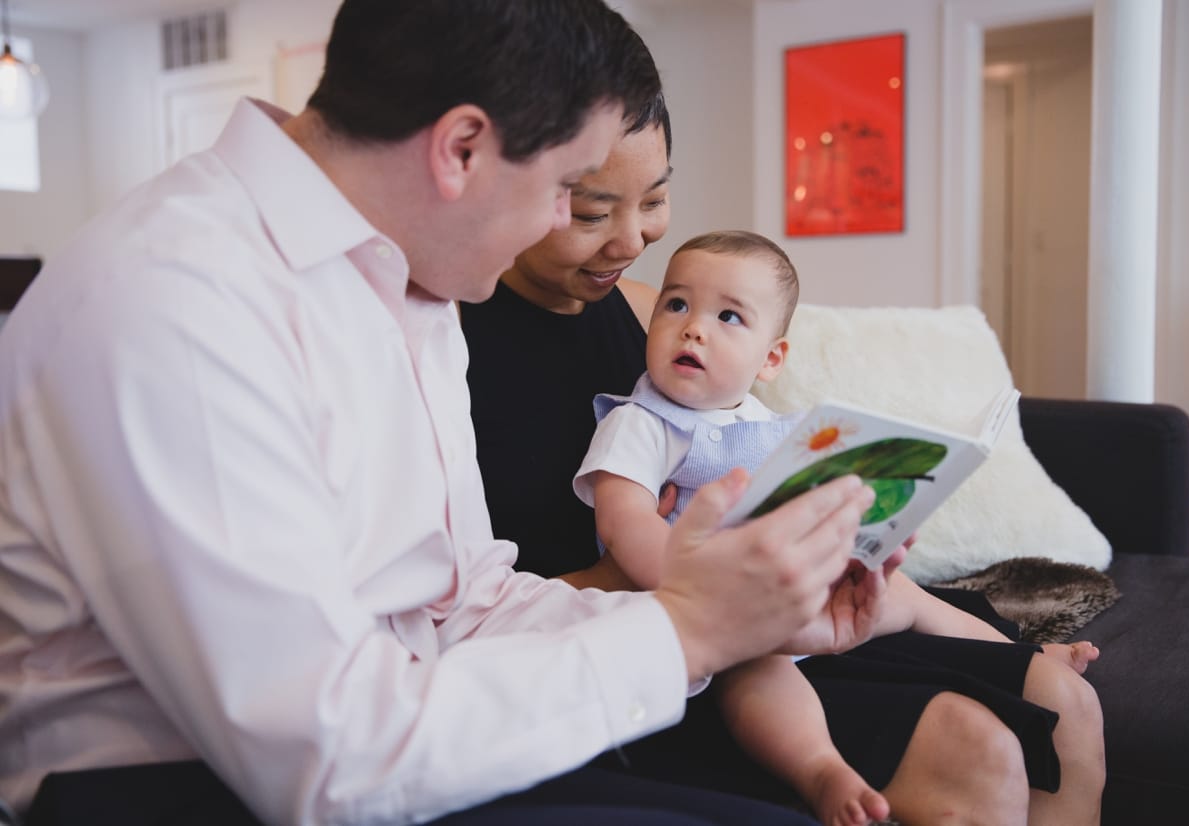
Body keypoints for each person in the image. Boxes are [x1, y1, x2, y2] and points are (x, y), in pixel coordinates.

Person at [0, 3, 884, 825]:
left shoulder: (409, 283)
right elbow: (326, 757)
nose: (561, 225)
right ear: (461, 148)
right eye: (569, 189)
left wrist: (734, 612)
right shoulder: (175, 302)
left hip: (405, 730)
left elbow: (465, 602)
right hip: (174, 790)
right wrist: (688, 632)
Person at [461, 117, 1107, 824]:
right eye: (591, 211)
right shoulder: (451, 350)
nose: (630, 242)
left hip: (780, 605)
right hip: (644, 642)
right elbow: (455, 608)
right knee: (978, 752)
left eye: (652, 201)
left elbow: (754, 441)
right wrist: (695, 576)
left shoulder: (650, 312)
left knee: (1067, 702)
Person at [573, 229, 1101, 825]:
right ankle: (820, 767)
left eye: (728, 316)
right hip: (715, 611)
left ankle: (1019, 651)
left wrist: (866, 524)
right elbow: (624, 525)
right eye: (676, 305)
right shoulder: (641, 422)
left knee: (901, 590)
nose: (695, 327)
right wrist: (701, 585)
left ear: (770, 359)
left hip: (794, 581)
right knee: (759, 667)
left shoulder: (771, 424)